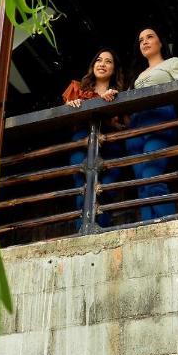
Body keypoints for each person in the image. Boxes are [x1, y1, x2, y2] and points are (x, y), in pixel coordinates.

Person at [127, 26, 178, 220]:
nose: (145, 42)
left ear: (160, 42)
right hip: (135, 127)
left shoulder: (174, 63)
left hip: (158, 119)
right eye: (141, 40)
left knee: (152, 174)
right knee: (141, 182)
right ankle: (148, 226)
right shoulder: (137, 76)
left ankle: (166, 224)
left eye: (150, 37)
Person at [62, 49, 125, 227]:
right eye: (99, 60)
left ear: (114, 69)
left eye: (108, 61)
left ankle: (100, 229)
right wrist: (72, 105)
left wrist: (106, 104)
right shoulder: (77, 90)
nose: (102, 64)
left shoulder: (118, 93)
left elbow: (124, 124)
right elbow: (65, 117)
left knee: (106, 190)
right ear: (93, 65)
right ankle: (81, 232)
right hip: (81, 140)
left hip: (110, 144)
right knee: (81, 188)